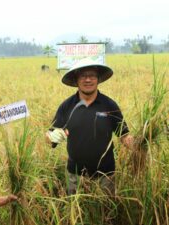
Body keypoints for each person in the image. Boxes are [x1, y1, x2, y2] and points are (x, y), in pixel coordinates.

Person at [46, 58, 134, 195]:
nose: (88, 80)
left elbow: (124, 135)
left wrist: (141, 144)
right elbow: (49, 136)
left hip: (105, 176)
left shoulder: (109, 105)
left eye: (92, 75)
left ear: (98, 79)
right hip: (75, 176)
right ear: (76, 80)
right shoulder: (67, 106)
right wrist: (51, 137)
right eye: (83, 76)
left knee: (106, 213)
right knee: (76, 213)